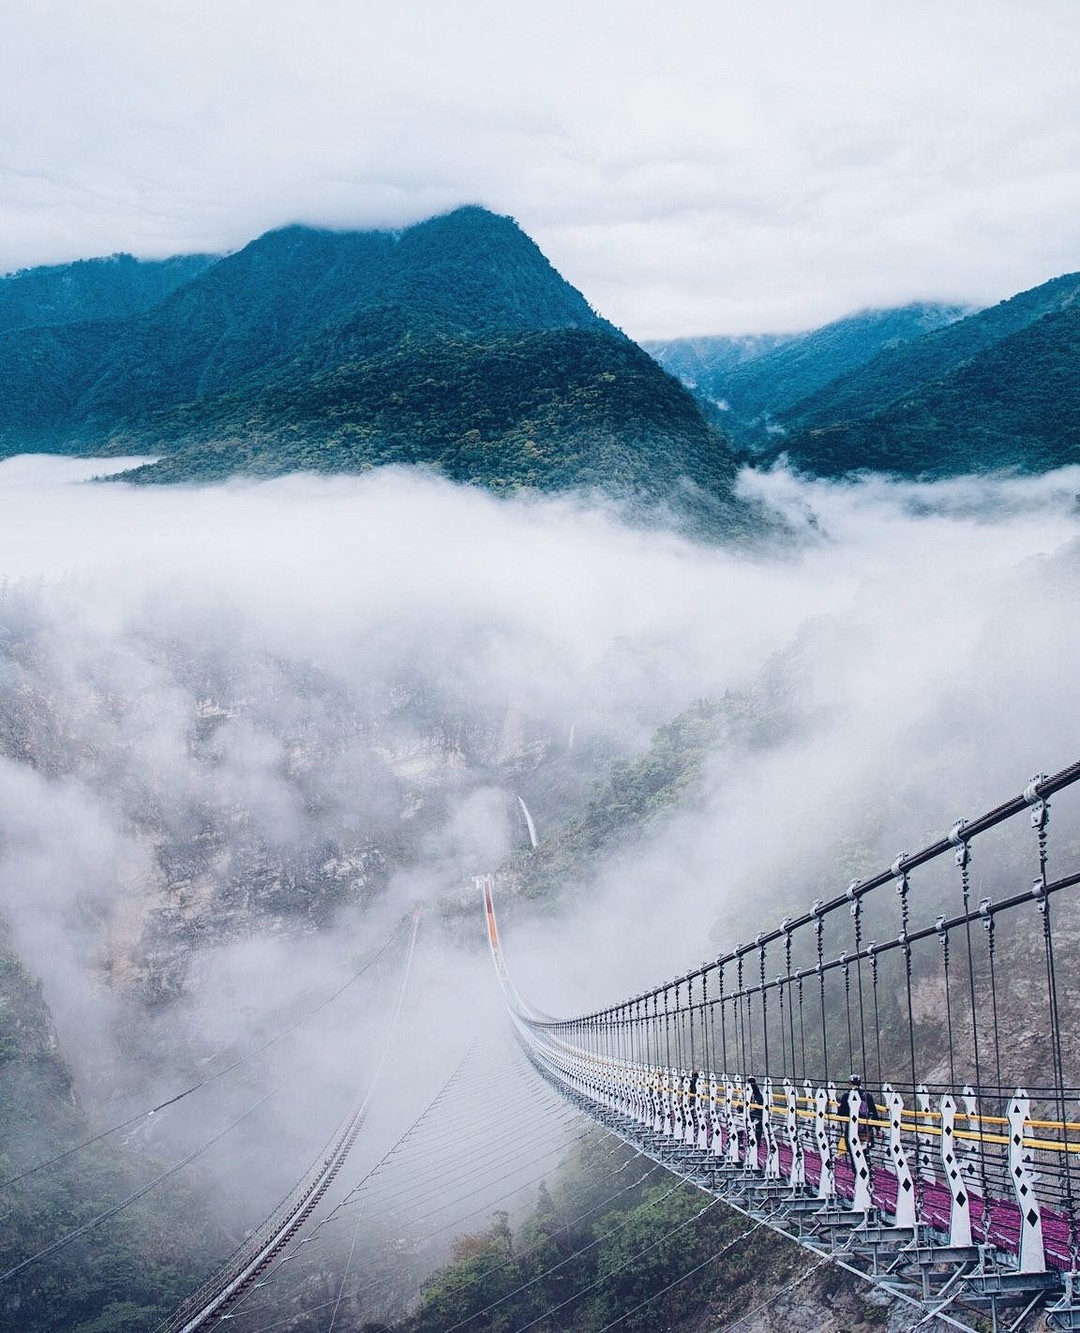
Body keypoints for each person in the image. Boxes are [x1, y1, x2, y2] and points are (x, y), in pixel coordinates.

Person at [837, 1074, 879, 1156]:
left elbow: (841, 1114)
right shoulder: (868, 1096)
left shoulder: (846, 1096)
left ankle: (857, 1167)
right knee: (865, 1151)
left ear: (850, 1083)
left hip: (852, 1128)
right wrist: (878, 1129)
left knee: (854, 1152)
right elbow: (874, 1113)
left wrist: (839, 1107)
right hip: (866, 1129)